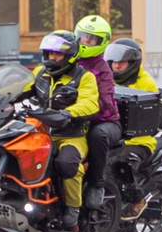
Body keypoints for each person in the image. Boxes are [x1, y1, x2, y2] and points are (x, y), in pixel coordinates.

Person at [23, 29, 103, 220]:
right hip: (41, 133)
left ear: (69, 55)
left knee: (67, 164)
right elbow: (21, 88)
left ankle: (72, 210)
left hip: (72, 135)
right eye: (50, 53)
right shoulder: (40, 73)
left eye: (58, 54)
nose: (53, 57)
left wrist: (67, 113)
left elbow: (90, 103)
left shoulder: (84, 77)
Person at [70, 14, 123, 211]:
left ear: (101, 42)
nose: (85, 41)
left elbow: (106, 103)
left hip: (103, 122)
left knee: (97, 135)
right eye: (83, 36)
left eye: (90, 39)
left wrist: (81, 108)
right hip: (75, 118)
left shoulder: (103, 70)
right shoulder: (71, 62)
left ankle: (96, 185)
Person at [107, 35, 161, 156]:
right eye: (114, 62)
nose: (116, 66)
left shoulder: (146, 83)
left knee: (117, 162)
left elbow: (148, 120)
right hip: (112, 138)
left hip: (138, 142)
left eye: (121, 62)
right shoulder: (106, 81)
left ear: (132, 62)